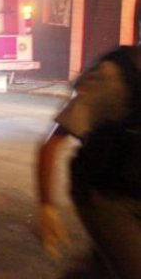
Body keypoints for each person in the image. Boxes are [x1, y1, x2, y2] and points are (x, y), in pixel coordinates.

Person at [37, 45, 141, 279]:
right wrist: (46, 207)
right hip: (106, 196)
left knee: (104, 268)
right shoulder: (115, 75)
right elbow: (52, 144)